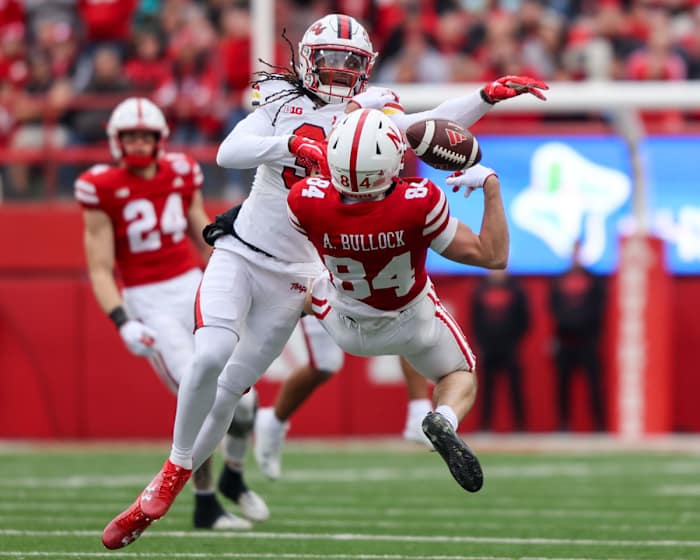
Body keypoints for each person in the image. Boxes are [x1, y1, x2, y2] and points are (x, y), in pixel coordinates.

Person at [101, 14, 546, 549]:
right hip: (244, 251)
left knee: (231, 387)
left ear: (365, 68)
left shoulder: (372, 112)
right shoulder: (280, 101)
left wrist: (486, 96)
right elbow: (229, 152)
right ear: (308, 61)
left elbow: (432, 125)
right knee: (209, 353)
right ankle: (171, 476)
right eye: (329, 58)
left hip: (300, 274)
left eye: (349, 62)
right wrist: (295, 144)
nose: (338, 70)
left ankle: (195, 476)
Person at [76, 98, 268, 549]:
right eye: (131, 137)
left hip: (193, 286)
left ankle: (234, 479)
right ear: (116, 142)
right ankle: (205, 505)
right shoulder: (99, 186)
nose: (140, 144)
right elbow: (101, 267)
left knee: (245, 400)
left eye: (146, 136)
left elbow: (202, 228)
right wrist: (122, 320)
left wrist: (234, 266)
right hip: (149, 301)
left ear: (160, 140)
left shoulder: (181, 171)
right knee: (199, 396)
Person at [288, 108, 509, 491]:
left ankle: (244, 359)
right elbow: (493, 255)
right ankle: (443, 417)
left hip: (345, 323)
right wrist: (489, 184)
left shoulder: (305, 199)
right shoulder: (418, 201)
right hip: (411, 321)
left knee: (296, 289)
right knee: (460, 374)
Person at [549, 239, 607, 432]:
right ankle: (563, 424)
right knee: (563, 386)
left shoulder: (594, 280)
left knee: (594, 385)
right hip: (566, 341)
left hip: (587, 341)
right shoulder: (559, 280)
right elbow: (553, 308)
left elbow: (599, 308)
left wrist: (586, 326)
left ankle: (599, 424)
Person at [471, 269, 530, 432]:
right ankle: (485, 426)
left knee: (515, 389)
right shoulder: (480, 291)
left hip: (510, 348)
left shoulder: (517, 290)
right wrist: (481, 344)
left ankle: (520, 425)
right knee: (486, 390)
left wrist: (514, 342)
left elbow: (525, 319)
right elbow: (475, 321)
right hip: (488, 348)